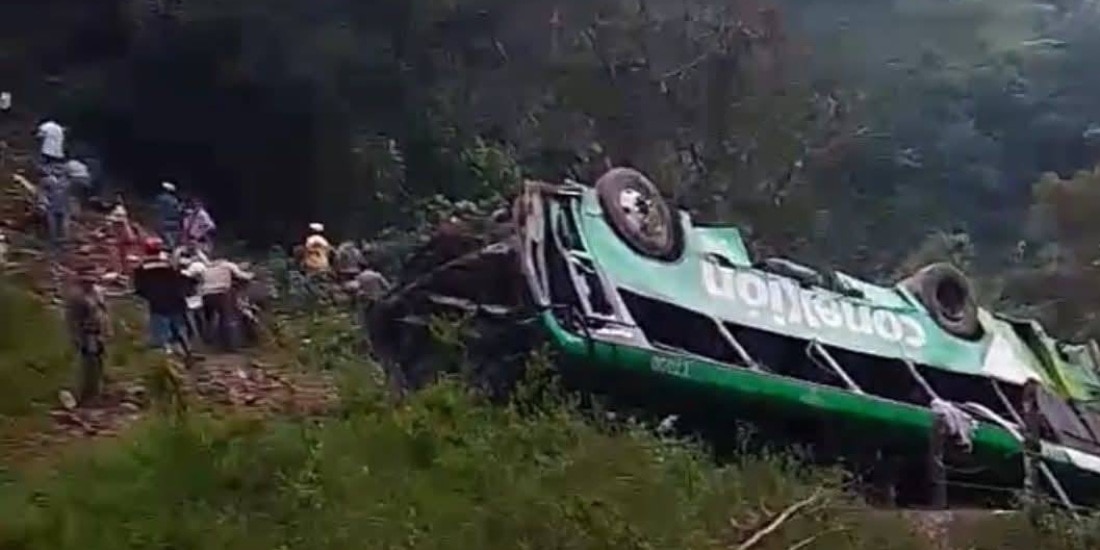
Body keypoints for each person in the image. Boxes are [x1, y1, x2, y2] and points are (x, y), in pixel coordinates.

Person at [132, 237, 196, 361]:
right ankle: (187, 353)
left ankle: (167, 360)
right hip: (176, 302)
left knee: (161, 335)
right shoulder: (170, 263)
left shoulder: (141, 267)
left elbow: (139, 289)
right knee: (180, 330)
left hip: (157, 305)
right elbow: (181, 279)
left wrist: (148, 297)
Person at [63, 266, 110, 405]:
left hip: (98, 332)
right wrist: (76, 336)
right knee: (87, 364)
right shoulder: (76, 297)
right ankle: (85, 394)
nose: (90, 282)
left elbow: (104, 312)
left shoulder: (98, 292)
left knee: (98, 363)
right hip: (86, 333)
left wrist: (107, 330)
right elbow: (72, 319)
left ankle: (96, 392)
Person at [198, 256, 254, 351]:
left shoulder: (207, 267)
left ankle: (207, 342)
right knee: (227, 319)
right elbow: (241, 275)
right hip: (221, 293)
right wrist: (251, 275)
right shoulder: (228, 265)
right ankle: (229, 345)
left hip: (206, 295)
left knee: (209, 319)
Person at [38, 164, 71, 251]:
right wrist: (42, 203)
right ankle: (53, 245)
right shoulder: (46, 180)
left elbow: (71, 196)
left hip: (64, 206)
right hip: (51, 206)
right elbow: (42, 193)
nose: (58, 171)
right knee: (52, 226)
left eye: (60, 169)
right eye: (56, 169)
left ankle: (64, 244)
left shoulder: (67, 181)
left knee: (64, 226)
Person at [106, 195, 137, 276]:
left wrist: (111, 219)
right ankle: (123, 271)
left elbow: (119, 219)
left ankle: (122, 271)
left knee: (120, 255)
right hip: (121, 235)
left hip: (121, 234)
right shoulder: (119, 210)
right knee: (121, 255)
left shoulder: (119, 210)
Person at [154, 181, 182, 249]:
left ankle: (170, 248)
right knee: (174, 239)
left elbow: (157, 208)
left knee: (166, 239)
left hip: (164, 221)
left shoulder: (160, 198)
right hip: (175, 222)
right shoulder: (175, 200)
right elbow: (179, 210)